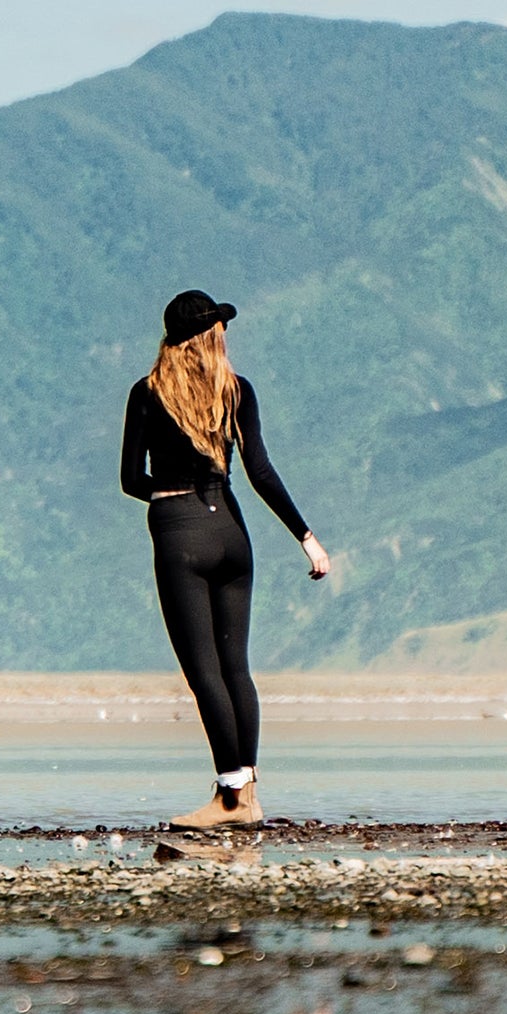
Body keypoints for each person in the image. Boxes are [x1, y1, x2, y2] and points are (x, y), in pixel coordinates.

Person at [119, 290, 330, 829]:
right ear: (213, 335)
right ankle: (249, 794)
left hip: (179, 531)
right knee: (237, 666)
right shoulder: (238, 392)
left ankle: (230, 799)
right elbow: (260, 472)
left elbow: (129, 480)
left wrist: (173, 499)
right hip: (233, 529)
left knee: (204, 671)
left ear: (170, 341)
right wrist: (307, 537)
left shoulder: (147, 394)